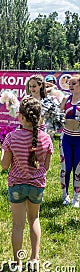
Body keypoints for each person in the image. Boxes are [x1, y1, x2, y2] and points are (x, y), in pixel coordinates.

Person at [1, 96, 53, 272]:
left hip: (16, 185)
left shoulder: (11, 137)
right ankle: (34, 259)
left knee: (18, 225)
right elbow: (46, 167)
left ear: (21, 117)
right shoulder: (46, 139)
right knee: (34, 219)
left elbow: (4, 165)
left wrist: (3, 150)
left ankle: (18, 263)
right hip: (37, 186)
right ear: (39, 118)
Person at [59, 74, 80, 207]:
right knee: (66, 168)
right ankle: (64, 195)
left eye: (74, 83)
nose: (70, 86)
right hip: (66, 138)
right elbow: (57, 116)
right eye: (69, 84)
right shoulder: (66, 99)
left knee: (78, 168)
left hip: (79, 140)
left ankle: (76, 197)